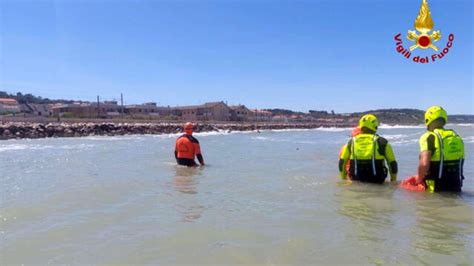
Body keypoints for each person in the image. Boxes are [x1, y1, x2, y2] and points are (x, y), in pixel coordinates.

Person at [416, 106, 465, 192]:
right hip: (456, 185)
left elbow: (424, 164)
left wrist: (419, 180)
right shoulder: (456, 137)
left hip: (435, 187)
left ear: (428, 120)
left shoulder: (429, 137)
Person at [338, 114, 398, 183]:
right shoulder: (383, 142)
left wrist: (344, 179)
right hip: (378, 181)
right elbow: (392, 163)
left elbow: (342, 162)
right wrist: (393, 180)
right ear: (375, 126)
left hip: (356, 181)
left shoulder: (351, 142)